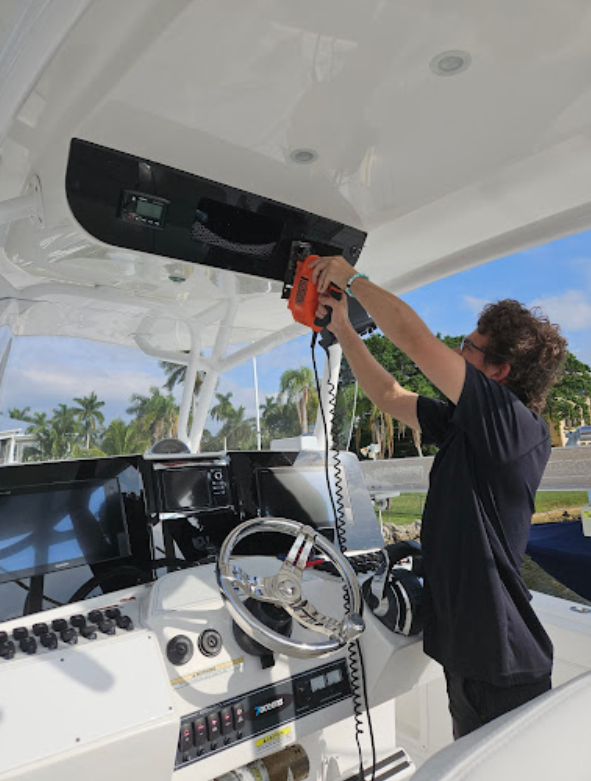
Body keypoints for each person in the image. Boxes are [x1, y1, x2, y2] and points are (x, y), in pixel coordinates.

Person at [310, 255, 568, 739]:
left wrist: (352, 278)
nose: (455, 350)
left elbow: (415, 341)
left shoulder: (515, 427)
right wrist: (342, 328)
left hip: (503, 667)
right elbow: (389, 396)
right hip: (469, 657)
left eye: (468, 347)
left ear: (499, 371)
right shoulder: (466, 425)